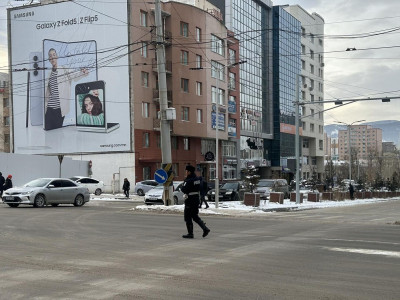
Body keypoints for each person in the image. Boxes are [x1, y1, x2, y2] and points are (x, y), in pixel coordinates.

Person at [44, 48, 88, 130]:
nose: (52, 57)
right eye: (50, 56)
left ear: (57, 57)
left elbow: (75, 75)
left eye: (54, 55)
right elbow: (48, 93)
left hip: (60, 110)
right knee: (47, 133)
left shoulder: (64, 69)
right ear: (49, 59)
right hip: (49, 109)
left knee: (57, 134)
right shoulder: (49, 73)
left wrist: (83, 73)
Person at [181, 165, 210, 239]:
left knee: (187, 216)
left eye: (186, 171)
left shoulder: (189, 180)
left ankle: (190, 233)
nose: (185, 172)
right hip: (196, 199)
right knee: (194, 215)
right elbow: (203, 187)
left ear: (189, 172)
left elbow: (184, 189)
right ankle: (205, 229)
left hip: (190, 199)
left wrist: (183, 187)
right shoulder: (198, 179)